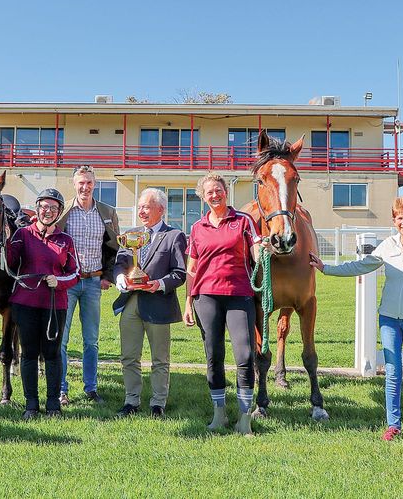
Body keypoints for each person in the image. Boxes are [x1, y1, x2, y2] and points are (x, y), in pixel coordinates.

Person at [311, 196, 403, 442]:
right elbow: (360, 266)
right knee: (392, 373)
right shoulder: (387, 246)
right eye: (400, 218)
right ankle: (393, 425)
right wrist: (325, 267)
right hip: (389, 319)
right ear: (394, 221)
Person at [183, 173, 261, 436]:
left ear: (226, 191)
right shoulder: (197, 228)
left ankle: (244, 417)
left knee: (245, 355)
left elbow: (256, 253)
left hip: (240, 294)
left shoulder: (243, 221)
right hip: (206, 296)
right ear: (203, 197)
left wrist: (264, 251)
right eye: (209, 192)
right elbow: (191, 270)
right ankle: (219, 413)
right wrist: (187, 302)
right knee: (213, 355)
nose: (214, 195)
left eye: (218, 190)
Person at [112, 188, 187, 418]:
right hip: (131, 303)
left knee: (160, 359)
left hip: (158, 304)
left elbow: (180, 273)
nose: (142, 211)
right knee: (129, 356)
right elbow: (120, 263)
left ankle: (157, 403)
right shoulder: (131, 234)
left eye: (147, 206)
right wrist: (120, 278)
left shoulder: (174, 236)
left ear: (161, 210)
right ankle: (131, 401)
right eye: (140, 206)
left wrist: (160, 284)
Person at [7, 188, 79, 419]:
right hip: (25, 302)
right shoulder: (22, 235)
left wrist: (58, 281)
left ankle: (53, 404)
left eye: (53, 208)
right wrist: (7, 237)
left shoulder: (65, 240)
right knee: (28, 353)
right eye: (44, 207)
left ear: (59, 212)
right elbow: (8, 262)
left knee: (52, 354)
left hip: (54, 304)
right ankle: (31, 404)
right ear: (37, 209)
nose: (48, 211)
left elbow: (75, 272)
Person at [56, 165, 120, 405]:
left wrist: (108, 276)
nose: (85, 187)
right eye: (81, 182)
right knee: (61, 339)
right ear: (74, 184)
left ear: (95, 184)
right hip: (68, 283)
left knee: (91, 340)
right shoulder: (64, 213)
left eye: (89, 182)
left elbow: (116, 247)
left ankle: (91, 388)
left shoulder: (106, 212)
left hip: (94, 282)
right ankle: (61, 389)